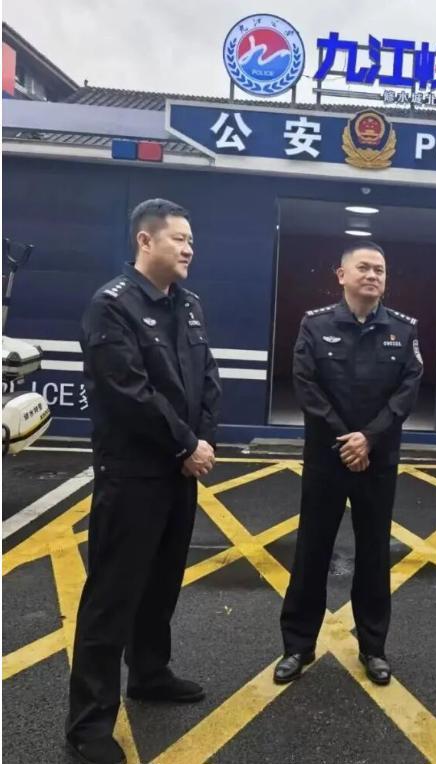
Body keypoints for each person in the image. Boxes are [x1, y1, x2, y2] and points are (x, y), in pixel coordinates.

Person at [67, 199, 221, 764]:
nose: (189, 249)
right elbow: (127, 392)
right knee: (112, 598)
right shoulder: (112, 306)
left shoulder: (190, 304)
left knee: (161, 585)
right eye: (179, 238)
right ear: (144, 240)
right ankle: (88, 724)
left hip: (180, 471)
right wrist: (185, 445)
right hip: (133, 475)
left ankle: (150, 674)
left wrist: (201, 441)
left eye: (191, 241)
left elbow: (207, 378)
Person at [275, 241, 423, 687]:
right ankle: (297, 646)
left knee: (374, 555)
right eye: (363, 267)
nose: (373, 275)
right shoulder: (315, 325)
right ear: (341, 275)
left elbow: (407, 391)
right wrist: (347, 439)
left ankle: (373, 648)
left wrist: (369, 438)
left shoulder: (403, 330)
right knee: (312, 551)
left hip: (377, 460)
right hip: (328, 458)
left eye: (380, 269)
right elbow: (305, 385)